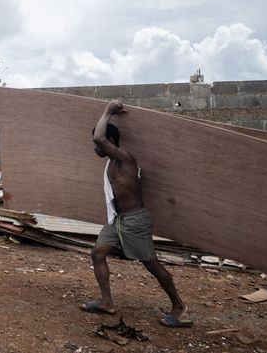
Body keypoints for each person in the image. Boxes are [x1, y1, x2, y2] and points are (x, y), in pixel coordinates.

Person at [79, 99, 192, 328]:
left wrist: (108, 111)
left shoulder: (125, 159)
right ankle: (107, 302)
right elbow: (99, 140)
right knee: (98, 253)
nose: (95, 147)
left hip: (134, 221)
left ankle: (179, 307)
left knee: (152, 265)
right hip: (117, 221)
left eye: (99, 145)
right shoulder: (111, 163)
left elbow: (99, 137)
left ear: (110, 142)